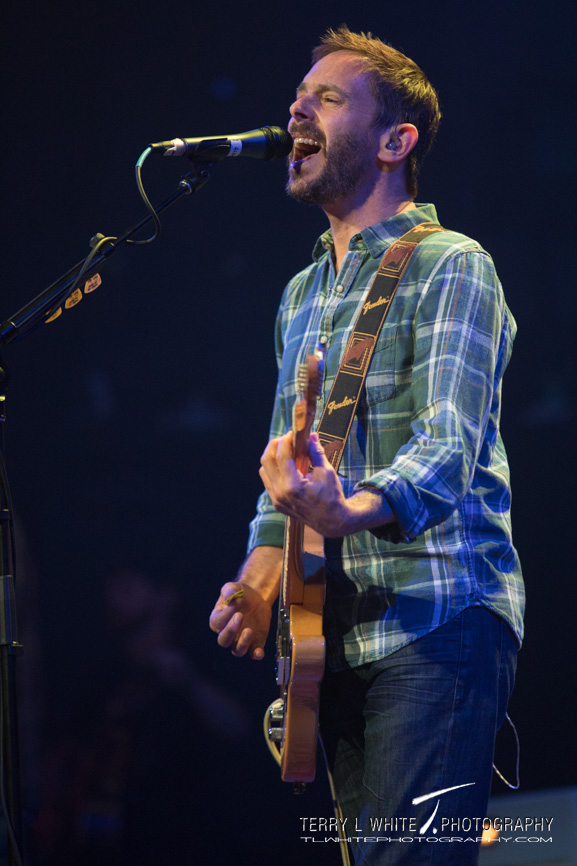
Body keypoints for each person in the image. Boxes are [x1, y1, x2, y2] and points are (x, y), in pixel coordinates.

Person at [210, 25, 524, 866]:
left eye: (327, 97)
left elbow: (447, 444)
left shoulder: (452, 264)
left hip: (435, 622)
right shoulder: (300, 294)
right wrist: (258, 573)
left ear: (395, 141)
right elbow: (288, 465)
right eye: (297, 95)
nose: (295, 108)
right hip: (330, 634)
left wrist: (347, 510)